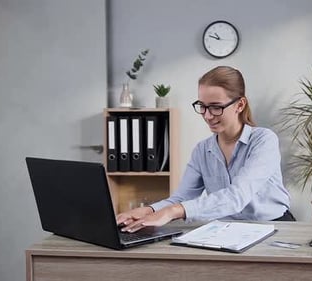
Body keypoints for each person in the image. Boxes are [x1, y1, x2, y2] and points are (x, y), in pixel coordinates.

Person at [117, 66, 294, 233]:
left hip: (274, 228)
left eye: (216, 107)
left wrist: (173, 211)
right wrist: (148, 210)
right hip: (227, 231)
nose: (208, 116)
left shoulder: (263, 140)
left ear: (240, 105)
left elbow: (236, 197)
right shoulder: (202, 150)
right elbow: (181, 198)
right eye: (202, 106)